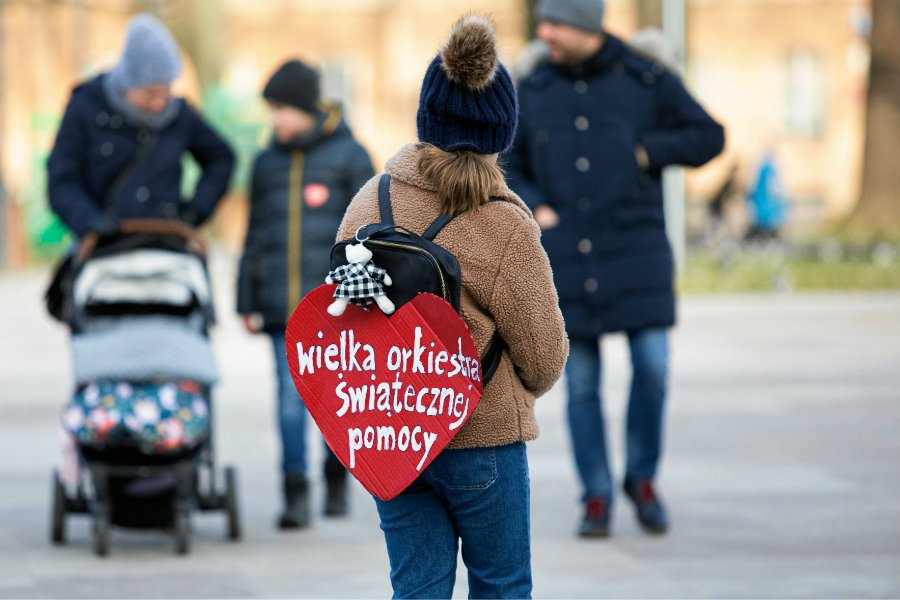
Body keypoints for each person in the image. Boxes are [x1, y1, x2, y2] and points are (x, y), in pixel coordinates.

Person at [336, 15, 567, 598]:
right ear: (501, 131)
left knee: (416, 589)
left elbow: (337, 313)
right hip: (482, 438)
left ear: (427, 119)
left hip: (390, 436)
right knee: (501, 585)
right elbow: (545, 356)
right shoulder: (504, 224)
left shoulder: (372, 199)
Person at [505, 0, 725, 538]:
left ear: (585, 24)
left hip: (637, 255)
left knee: (652, 366)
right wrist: (536, 205)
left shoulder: (644, 77)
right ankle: (597, 493)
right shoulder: (531, 91)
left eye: (555, 23)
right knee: (580, 384)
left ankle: (642, 479)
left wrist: (647, 151)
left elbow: (709, 135)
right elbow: (505, 161)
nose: (545, 33)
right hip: (568, 261)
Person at [236, 59, 375, 529]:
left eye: (283, 108)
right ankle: (294, 490)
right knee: (289, 399)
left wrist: (367, 294)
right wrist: (246, 298)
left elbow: (372, 234)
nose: (276, 119)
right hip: (280, 307)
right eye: (271, 109)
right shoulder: (264, 163)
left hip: (337, 305)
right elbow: (254, 233)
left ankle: (336, 475)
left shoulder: (350, 156)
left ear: (308, 108)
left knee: (337, 397)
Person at [47, 13, 235, 243]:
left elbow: (221, 157)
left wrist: (196, 210)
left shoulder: (180, 115)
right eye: (148, 94)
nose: (158, 103)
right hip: (101, 242)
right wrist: (88, 220)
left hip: (166, 240)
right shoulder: (85, 108)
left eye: (164, 92)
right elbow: (62, 178)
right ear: (128, 83)